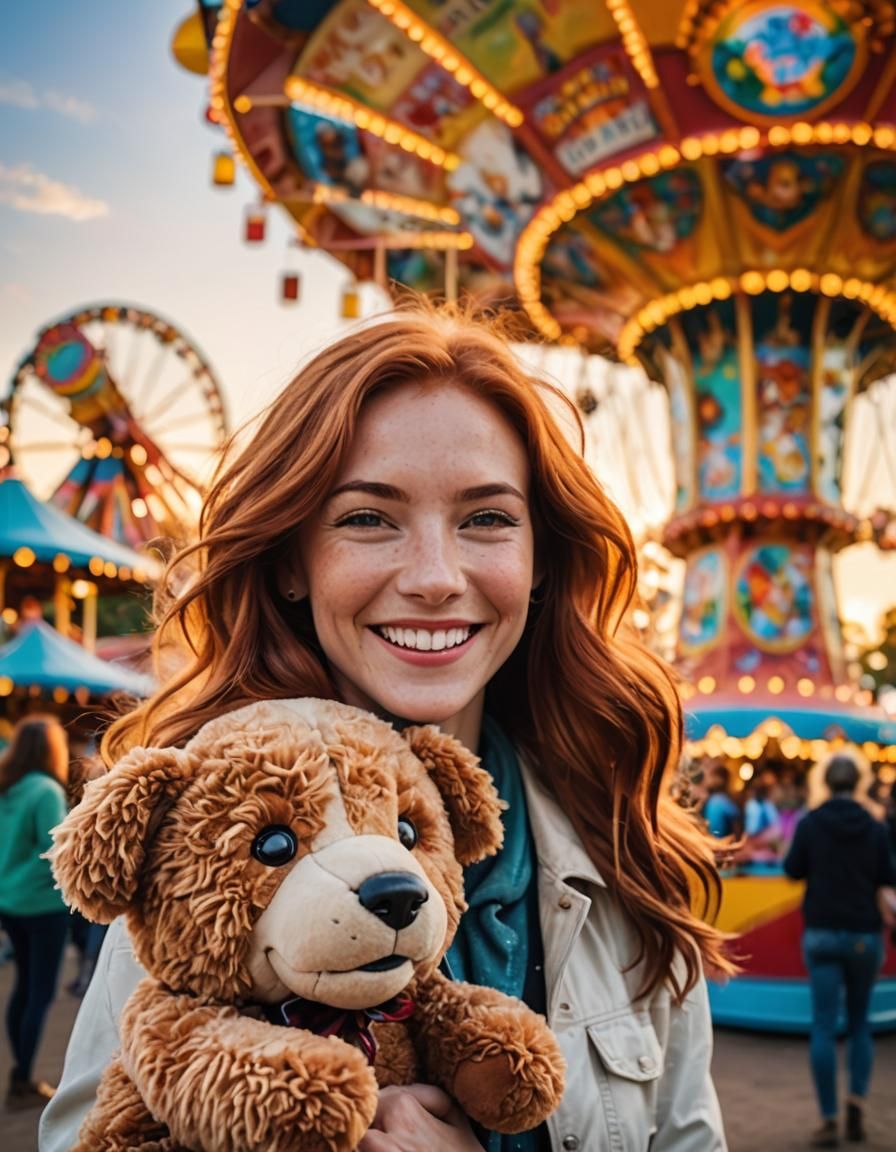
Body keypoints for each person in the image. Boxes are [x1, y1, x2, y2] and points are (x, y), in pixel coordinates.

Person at [41, 306, 732, 1151]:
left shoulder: (624, 857)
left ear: (541, 558)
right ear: (294, 562)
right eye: (369, 518)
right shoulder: (203, 851)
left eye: (487, 519)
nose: (437, 579)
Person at [784, 752, 896, 1147]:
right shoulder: (874, 825)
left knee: (823, 1025)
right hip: (864, 934)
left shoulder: (810, 823)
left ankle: (828, 1118)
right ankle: (857, 1103)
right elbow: (887, 876)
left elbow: (792, 869)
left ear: (826, 781)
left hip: (821, 933)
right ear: (860, 781)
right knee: (860, 1022)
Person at [0, 714, 70, 1110]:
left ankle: (20, 1073)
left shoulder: (7, 787)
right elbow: (57, 852)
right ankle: (23, 1079)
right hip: (42, 905)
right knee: (40, 993)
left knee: (23, 987)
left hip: (8, 900)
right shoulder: (45, 790)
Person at [700, 761, 742, 840]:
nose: (708, 780)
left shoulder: (718, 800)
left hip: (718, 844)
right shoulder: (717, 800)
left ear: (720, 780)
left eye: (712, 776)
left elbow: (736, 822)